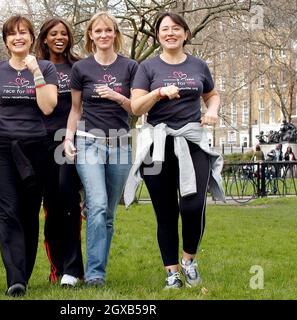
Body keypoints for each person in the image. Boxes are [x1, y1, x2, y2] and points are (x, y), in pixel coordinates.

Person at [124, 12, 225, 290]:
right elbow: (136, 107)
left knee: (193, 206)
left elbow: (212, 95)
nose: (170, 33)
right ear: (158, 35)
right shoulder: (147, 67)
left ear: (185, 34)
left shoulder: (199, 65)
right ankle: (172, 273)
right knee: (165, 211)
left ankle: (189, 260)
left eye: (176, 29)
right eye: (165, 29)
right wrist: (157, 93)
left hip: (192, 141)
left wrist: (213, 111)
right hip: (158, 144)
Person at [0, 15, 58, 297]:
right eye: (12, 34)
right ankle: (16, 279)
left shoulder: (46, 67)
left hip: (35, 149)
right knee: (7, 210)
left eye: (23, 32)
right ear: (6, 40)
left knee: (28, 212)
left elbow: (48, 107)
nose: (18, 37)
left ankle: (23, 271)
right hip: (0, 147)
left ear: (32, 38)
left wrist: (35, 70)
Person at [64, 12, 138, 287]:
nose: (104, 35)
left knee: (107, 212)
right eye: (99, 31)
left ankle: (97, 268)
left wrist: (119, 96)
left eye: (109, 30)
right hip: (88, 142)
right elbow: (75, 109)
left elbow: (137, 109)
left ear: (116, 34)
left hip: (119, 143)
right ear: (91, 36)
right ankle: (95, 274)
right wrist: (68, 139)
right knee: (95, 206)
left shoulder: (131, 67)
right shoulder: (81, 69)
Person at [35, 17, 84, 287]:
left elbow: (83, 106)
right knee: (51, 207)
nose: (59, 38)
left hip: (70, 143)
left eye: (63, 33)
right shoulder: (35, 67)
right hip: (42, 143)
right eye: (53, 34)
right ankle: (58, 269)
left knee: (70, 205)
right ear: (44, 38)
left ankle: (74, 269)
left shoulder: (77, 66)